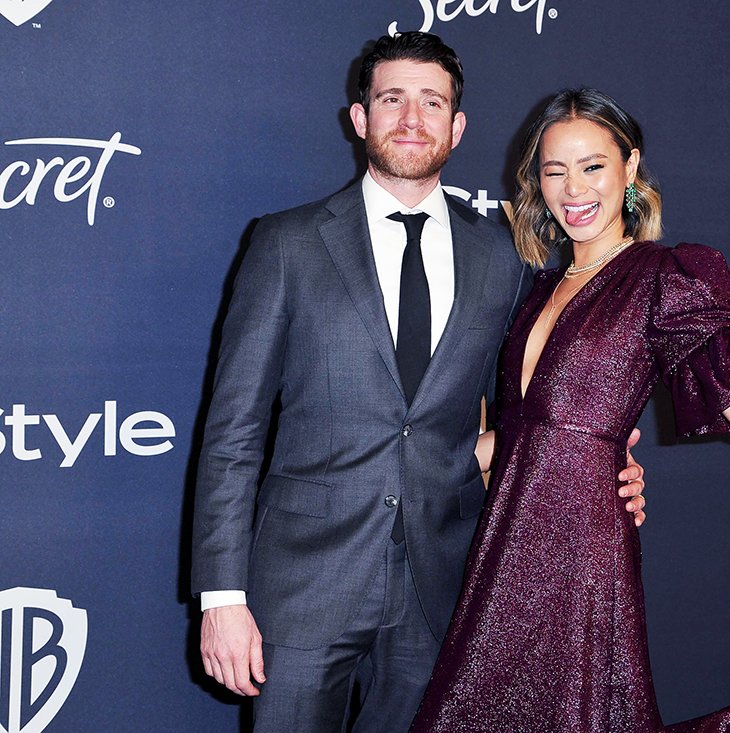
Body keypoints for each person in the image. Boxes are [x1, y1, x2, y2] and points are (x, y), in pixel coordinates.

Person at [191, 37, 647, 733]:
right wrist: (221, 595)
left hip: (444, 589)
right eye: (391, 99)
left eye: (432, 101)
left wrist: (598, 463)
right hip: (303, 588)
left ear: (457, 126)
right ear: (359, 118)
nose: (411, 118)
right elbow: (232, 433)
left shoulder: (505, 257)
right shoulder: (286, 244)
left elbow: (535, 408)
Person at [409, 88, 730, 732]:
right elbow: (516, 439)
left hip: (584, 557)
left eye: (593, 166)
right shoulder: (534, 287)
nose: (573, 188)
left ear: (630, 169)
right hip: (500, 551)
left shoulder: (665, 275)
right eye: (554, 170)